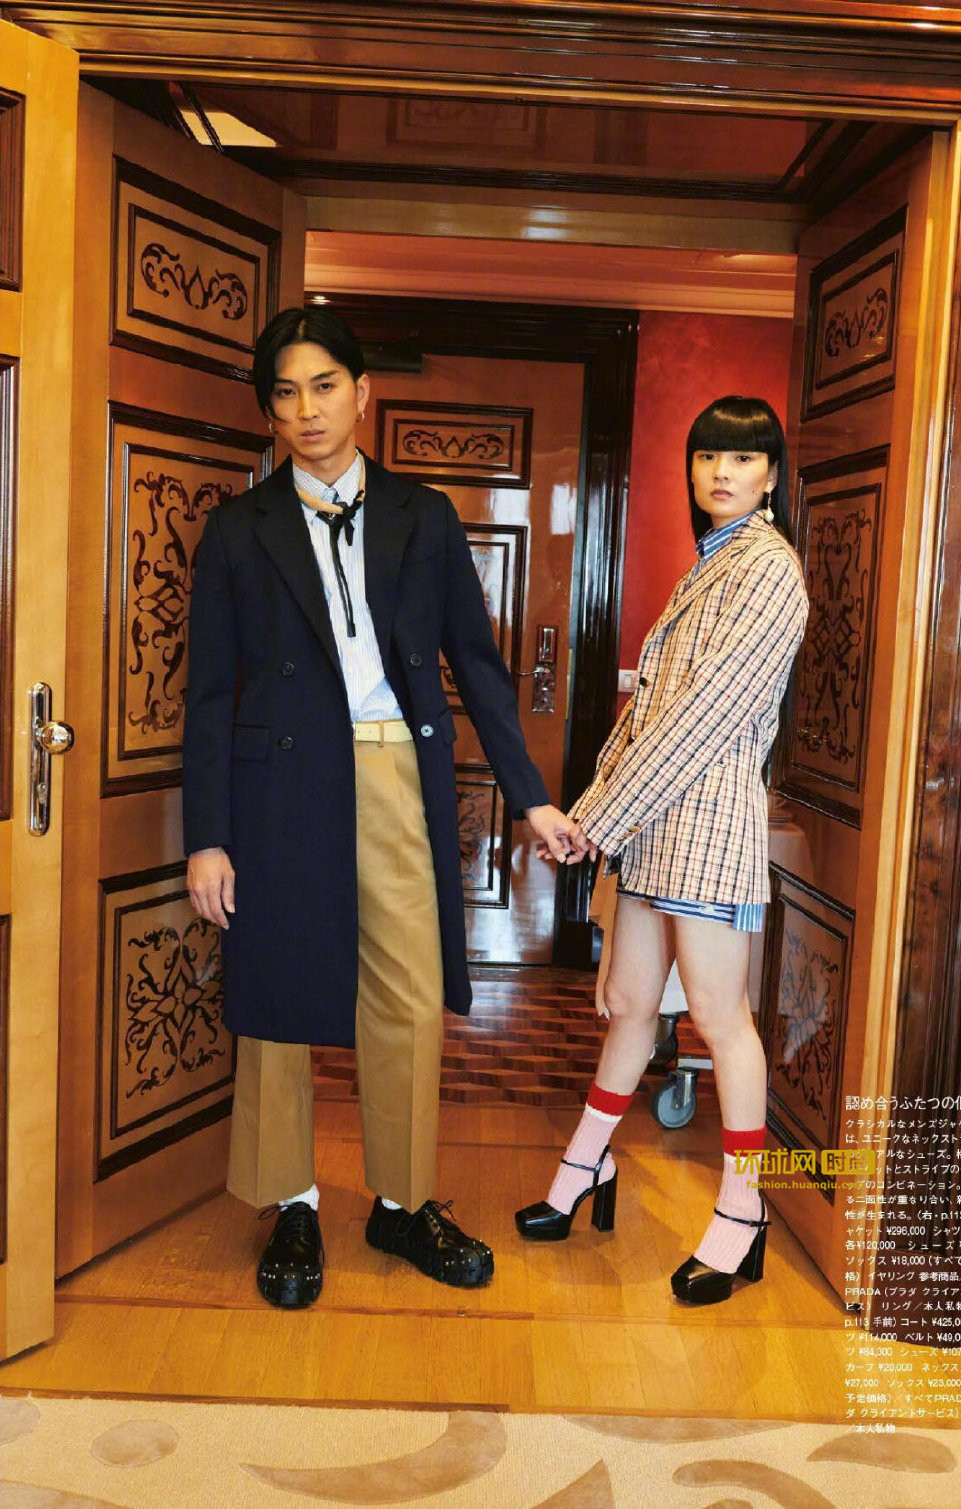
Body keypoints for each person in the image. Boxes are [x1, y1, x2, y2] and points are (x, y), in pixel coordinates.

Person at [183, 306, 579, 1308]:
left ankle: (401, 1203)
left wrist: (530, 799)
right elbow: (210, 695)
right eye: (286, 393)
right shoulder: (236, 531)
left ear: (362, 394)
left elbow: (477, 666)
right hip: (277, 786)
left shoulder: (424, 516)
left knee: (407, 991)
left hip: (396, 770)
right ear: (269, 413)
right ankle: (291, 1201)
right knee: (276, 994)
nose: (307, 410)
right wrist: (209, 837)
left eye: (325, 386)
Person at [517, 395, 809, 1306]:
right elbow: (647, 713)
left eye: (744, 457)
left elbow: (700, 721)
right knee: (630, 1007)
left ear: (772, 474)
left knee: (721, 1018)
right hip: (654, 827)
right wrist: (592, 816)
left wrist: (598, 820)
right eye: (709, 454)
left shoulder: (768, 569)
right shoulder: (712, 563)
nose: (722, 470)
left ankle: (742, 1213)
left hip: (709, 824)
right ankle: (585, 1166)